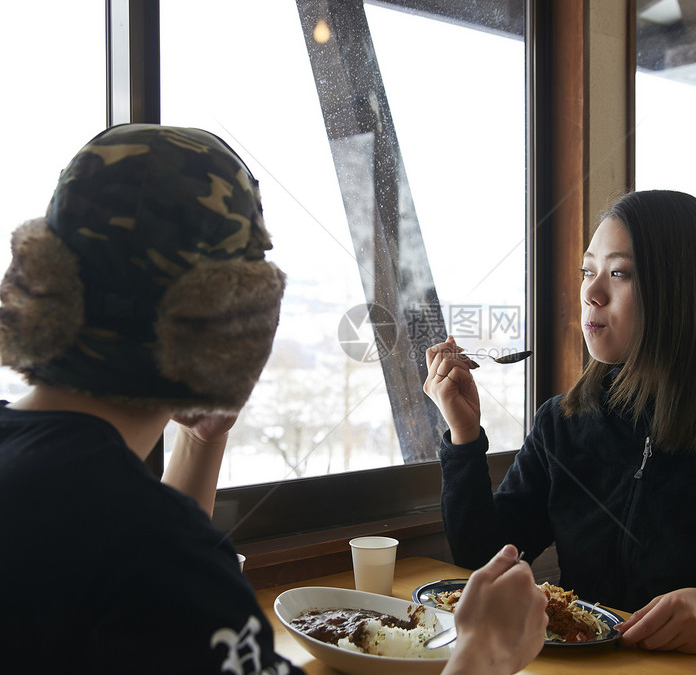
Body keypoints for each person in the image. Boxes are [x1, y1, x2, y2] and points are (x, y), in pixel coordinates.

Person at [0, 124, 547, 674]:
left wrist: (202, 436)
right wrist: (482, 656)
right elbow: (157, 570)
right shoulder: (155, 556)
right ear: (230, 317)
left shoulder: (85, 508)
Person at [424, 189, 696, 670]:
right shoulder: (562, 424)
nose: (591, 292)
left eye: (619, 273)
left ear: (681, 292)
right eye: (588, 270)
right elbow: (481, 561)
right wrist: (463, 437)